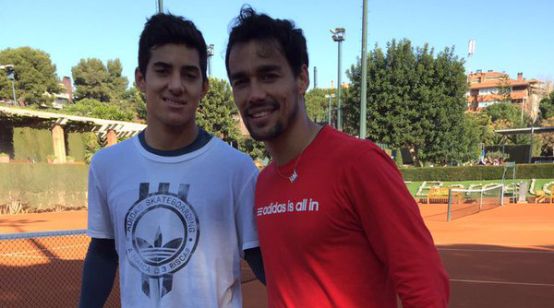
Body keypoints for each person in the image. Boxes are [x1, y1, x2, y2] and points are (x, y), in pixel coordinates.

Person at [225, 7, 449, 308]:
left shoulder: (359, 163)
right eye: (241, 81)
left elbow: (425, 285)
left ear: (301, 78)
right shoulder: (263, 183)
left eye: (268, 75)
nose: (254, 94)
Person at [79, 13, 264, 308]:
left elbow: (262, 259)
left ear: (204, 86)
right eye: (163, 71)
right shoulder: (106, 165)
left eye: (189, 75)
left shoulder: (238, 170)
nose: (176, 85)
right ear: (141, 79)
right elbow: (103, 251)